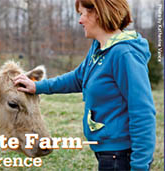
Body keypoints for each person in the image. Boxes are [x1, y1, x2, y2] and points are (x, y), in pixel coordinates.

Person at [14, 0, 156, 170]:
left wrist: (140, 166)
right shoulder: (99, 48)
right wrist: (38, 86)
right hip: (108, 153)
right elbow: (78, 78)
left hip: (120, 156)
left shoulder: (124, 54)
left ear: (98, 12)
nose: (80, 21)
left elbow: (143, 112)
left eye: (82, 14)